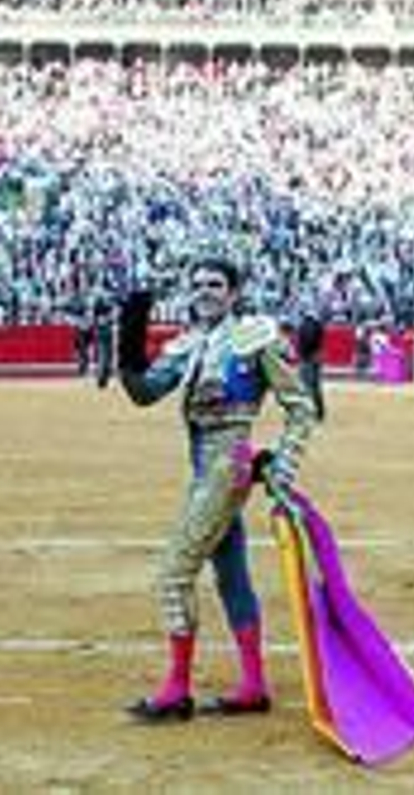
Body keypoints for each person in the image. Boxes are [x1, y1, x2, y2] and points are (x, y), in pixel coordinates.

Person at [115, 257, 318, 723]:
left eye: (215, 284)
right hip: (203, 467)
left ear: (234, 292)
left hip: (227, 466)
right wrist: (129, 336)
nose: (205, 291)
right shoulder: (187, 344)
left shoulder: (256, 337)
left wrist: (282, 465)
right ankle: (252, 686)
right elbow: (144, 392)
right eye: (199, 284)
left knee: (173, 572)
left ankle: (177, 690)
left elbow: (301, 407)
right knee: (232, 576)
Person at [295, 302, 327, 422]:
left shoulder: (307, 324)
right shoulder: (317, 323)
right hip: (316, 356)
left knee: (306, 386)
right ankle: (319, 412)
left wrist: (303, 353)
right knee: (315, 386)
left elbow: (307, 340)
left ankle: (309, 412)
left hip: (308, 358)